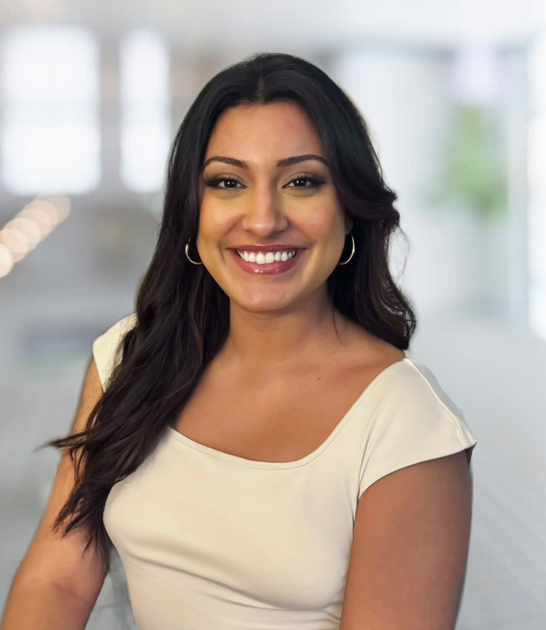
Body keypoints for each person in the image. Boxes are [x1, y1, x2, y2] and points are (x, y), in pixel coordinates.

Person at [1, 52, 477, 630]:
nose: (261, 218)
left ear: (348, 210)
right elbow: (56, 581)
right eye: (228, 182)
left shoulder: (405, 423)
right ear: (192, 211)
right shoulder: (131, 358)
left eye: (301, 181)